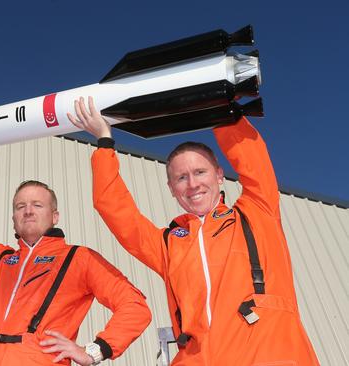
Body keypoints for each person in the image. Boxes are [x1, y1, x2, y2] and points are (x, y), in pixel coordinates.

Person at [68, 97, 320, 365]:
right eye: (181, 177)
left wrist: (221, 108)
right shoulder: (168, 244)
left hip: (269, 354)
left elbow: (252, 159)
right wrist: (104, 141)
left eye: (200, 172)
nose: (192, 184)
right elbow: (114, 209)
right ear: (171, 188)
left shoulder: (257, 212)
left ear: (219, 175)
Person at [0, 145, 152, 366]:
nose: (28, 211)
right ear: (14, 217)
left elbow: (135, 306)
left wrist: (94, 351)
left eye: (37, 205)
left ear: (55, 216)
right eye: (20, 206)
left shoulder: (79, 258)